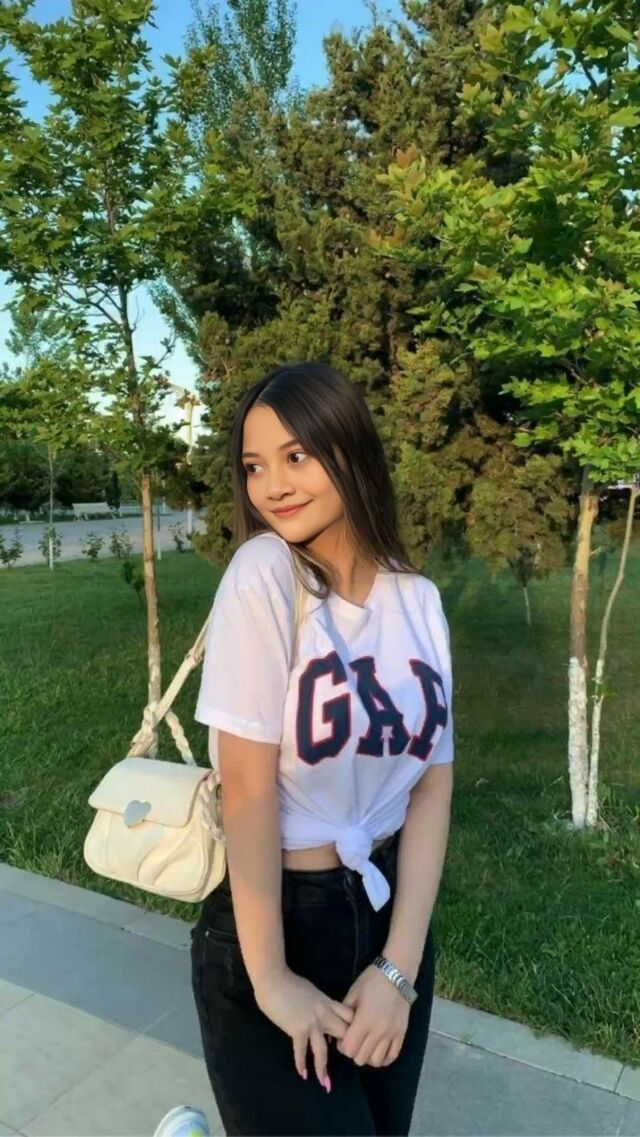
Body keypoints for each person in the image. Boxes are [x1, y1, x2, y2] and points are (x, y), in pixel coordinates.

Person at [187, 362, 454, 1136]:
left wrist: (398, 968)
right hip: (277, 922)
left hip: (387, 914)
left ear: (349, 448)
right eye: (254, 465)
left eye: (296, 455)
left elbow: (432, 786)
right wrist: (271, 978)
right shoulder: (265, 574)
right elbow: (246, 789)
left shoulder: (419, 601)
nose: (272, 485)